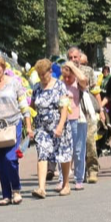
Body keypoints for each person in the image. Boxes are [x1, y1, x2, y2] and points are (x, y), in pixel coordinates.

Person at [0, 55, 32, 205]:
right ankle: (6, 194)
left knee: (10, 158)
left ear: (4, 68)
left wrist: (28, 125)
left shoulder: (14, 83)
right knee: (0, 161)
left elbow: (24, 105)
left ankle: (16, 190)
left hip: (13, 124)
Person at [30, 59, 72, 198]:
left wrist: (60, 126)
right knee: (42, 154)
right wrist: (30, 126)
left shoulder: (59, 85)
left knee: (63, 155)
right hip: (42, 127)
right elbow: (32, 107)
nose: (42, 77)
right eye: (39, 74)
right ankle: (41, 188)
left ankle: (66, 184)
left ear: (50, 71)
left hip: (58, 125)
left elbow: (64, 107)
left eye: (44, 74)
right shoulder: (36, 88)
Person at [72, 49, 102, 183]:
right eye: (70, 57)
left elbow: (95, 91)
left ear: (80, 57)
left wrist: (100, 110)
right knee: (76, 144)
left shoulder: (87, 70)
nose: (73, 59)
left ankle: (93, 169)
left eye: (75, 57)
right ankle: (80, 171)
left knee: (89, 140)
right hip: (72, 109)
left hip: (86, 109)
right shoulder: (64, 71)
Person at [60, 61, 88, 189]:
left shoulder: (78, 84)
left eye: (69, 76)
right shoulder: (60, 85)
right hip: (64, 121)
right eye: (64, 76)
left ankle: (78, 178)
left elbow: (83, 79)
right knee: (63, 151)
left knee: (78, 150)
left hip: (78, 119)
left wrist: (72, 67)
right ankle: (62, 179)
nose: (67, 79)